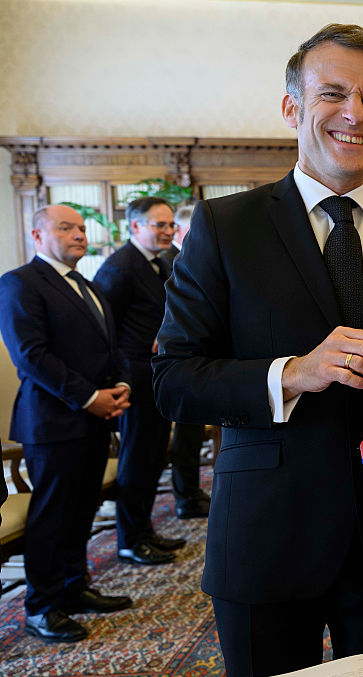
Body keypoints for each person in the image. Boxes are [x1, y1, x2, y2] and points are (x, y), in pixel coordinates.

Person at [151, 24, 363, 677]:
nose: (355, 113)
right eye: (334, 93)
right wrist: (292, 373)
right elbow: (173, 378)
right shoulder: (225, 226)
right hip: (267, 537)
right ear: (292, 107)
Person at [0, 205, 133, 642]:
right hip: (52, 422)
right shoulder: (19, 282)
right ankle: (42, 607)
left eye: (80, 227)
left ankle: (75, 589)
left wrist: (119, 386)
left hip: (95, 420)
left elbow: (108, 348)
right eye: (65, 227)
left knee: (82, 511)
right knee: (52, 517)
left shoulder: (88, 285)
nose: (78, 234)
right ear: (37, 236)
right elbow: (31, 355)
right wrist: (90, 398)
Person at [93, 196, 184, 566]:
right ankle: (130, 540)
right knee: (135, 459)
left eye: (169, 225)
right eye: (157, 225)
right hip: (133, 377)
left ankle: (144, 531)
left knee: (151, 458)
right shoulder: (120, 267)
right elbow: (101, 327)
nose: (166, 232)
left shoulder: (159, 265)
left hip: (157, 375)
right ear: (134, 227)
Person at [158, 204, 211, 519]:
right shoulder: (170, 260)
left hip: (198, 361)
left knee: (190, 437)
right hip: (175, 364)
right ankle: (185, 496)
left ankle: (189, 493)